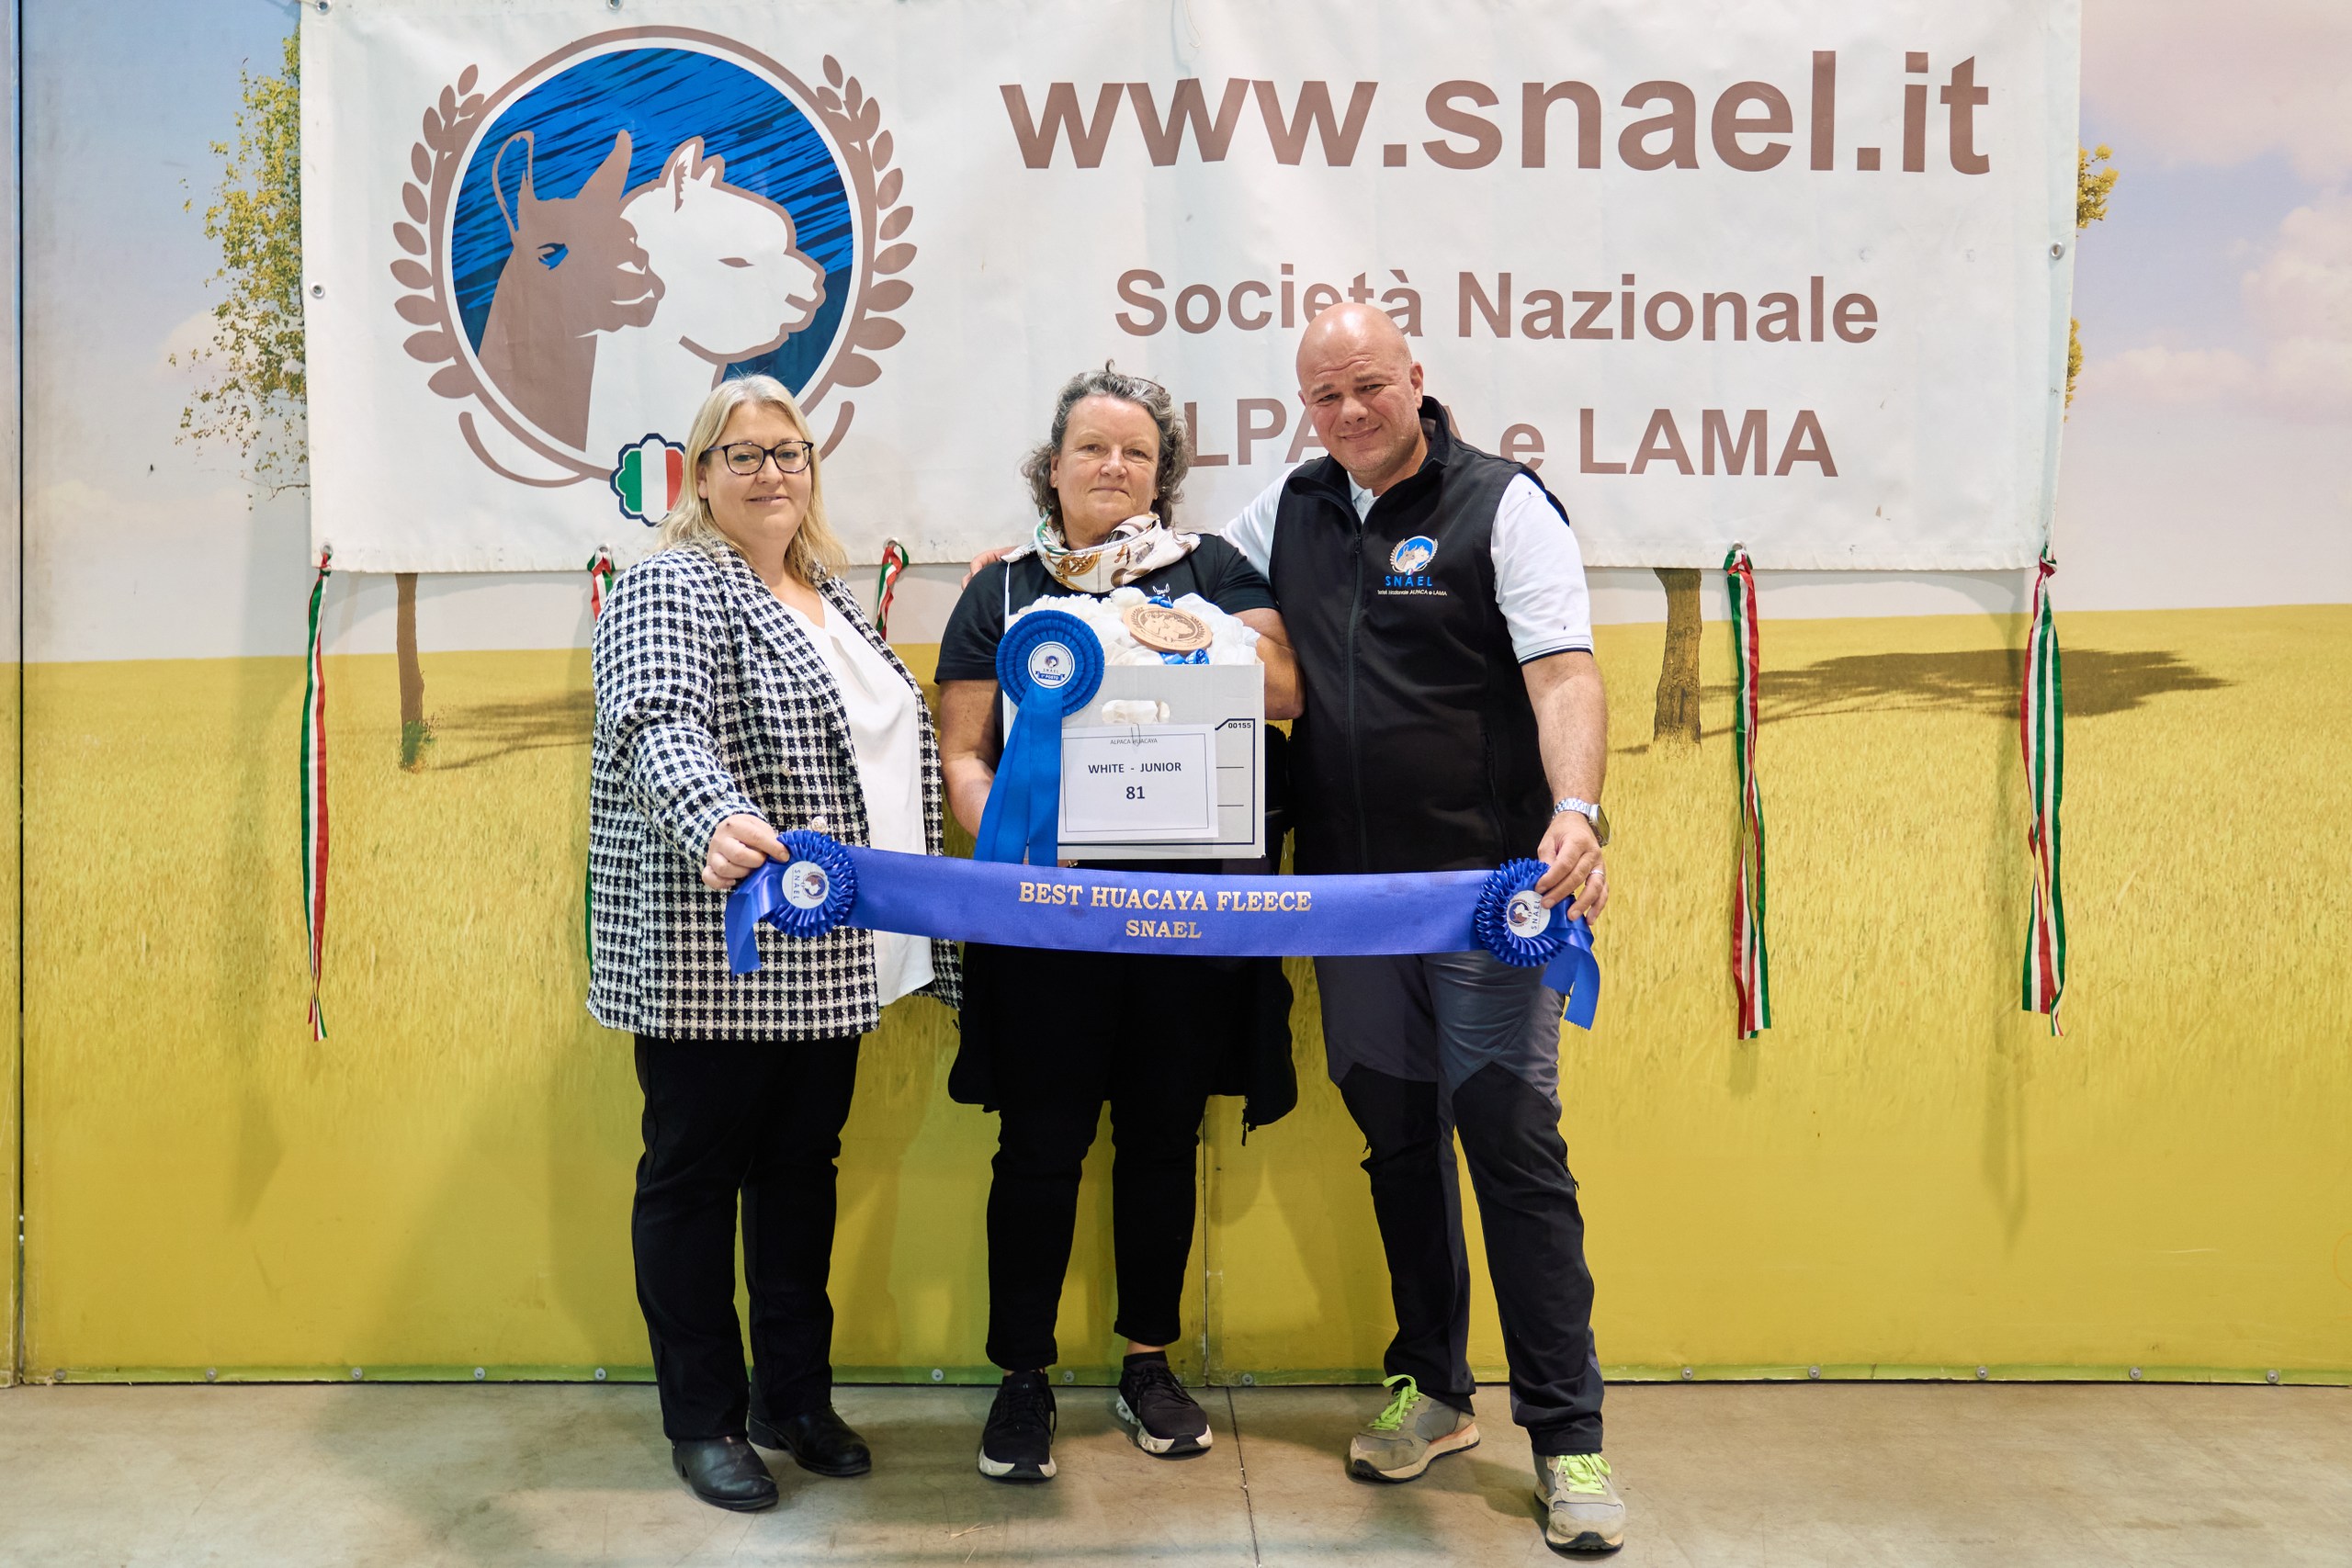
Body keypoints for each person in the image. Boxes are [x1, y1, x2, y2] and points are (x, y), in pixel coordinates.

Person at [1224, 304, 1624, 1554]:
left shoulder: (1502, 503)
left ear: (1415, 379)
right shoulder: (1283, 510)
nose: (1349, 412)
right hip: (1351, 901)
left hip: (1484, 896)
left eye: (1369, 385)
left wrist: (1575, 810)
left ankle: (1568, 1439)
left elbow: (1564, 672)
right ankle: (1436, 1391)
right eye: (1324, 394)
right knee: (1398, 1144)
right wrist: (1052, 571)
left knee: (1511, 1147)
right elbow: (1182, 586)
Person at [588, 374, 960, 1512]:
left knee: (800, 1176)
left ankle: (791, 1398)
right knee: (694, 1183)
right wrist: (709, 818)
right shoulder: (669, 582)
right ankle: (703, 1419)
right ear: (700, 475)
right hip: (720, 950)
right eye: (741, 455)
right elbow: (654, 720)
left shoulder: (826, 593)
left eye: (787, 452)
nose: (769, 472)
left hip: (835, 955)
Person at [935, 366, 1304, 1483]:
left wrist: (1180, 626)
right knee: (1036, 1149)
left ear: (1162, 476)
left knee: (1160, 1142)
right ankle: (1022, 1377)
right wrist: (1018, 855)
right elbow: (963, 756)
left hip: (1182, 924)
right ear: (1052, 468)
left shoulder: (1215, 571)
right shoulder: (1001, 593)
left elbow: (1283, 693)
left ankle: (1149, 1362)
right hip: (1045, 924)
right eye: (1091, 447)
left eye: (1136, 452)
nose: (1113, 466)